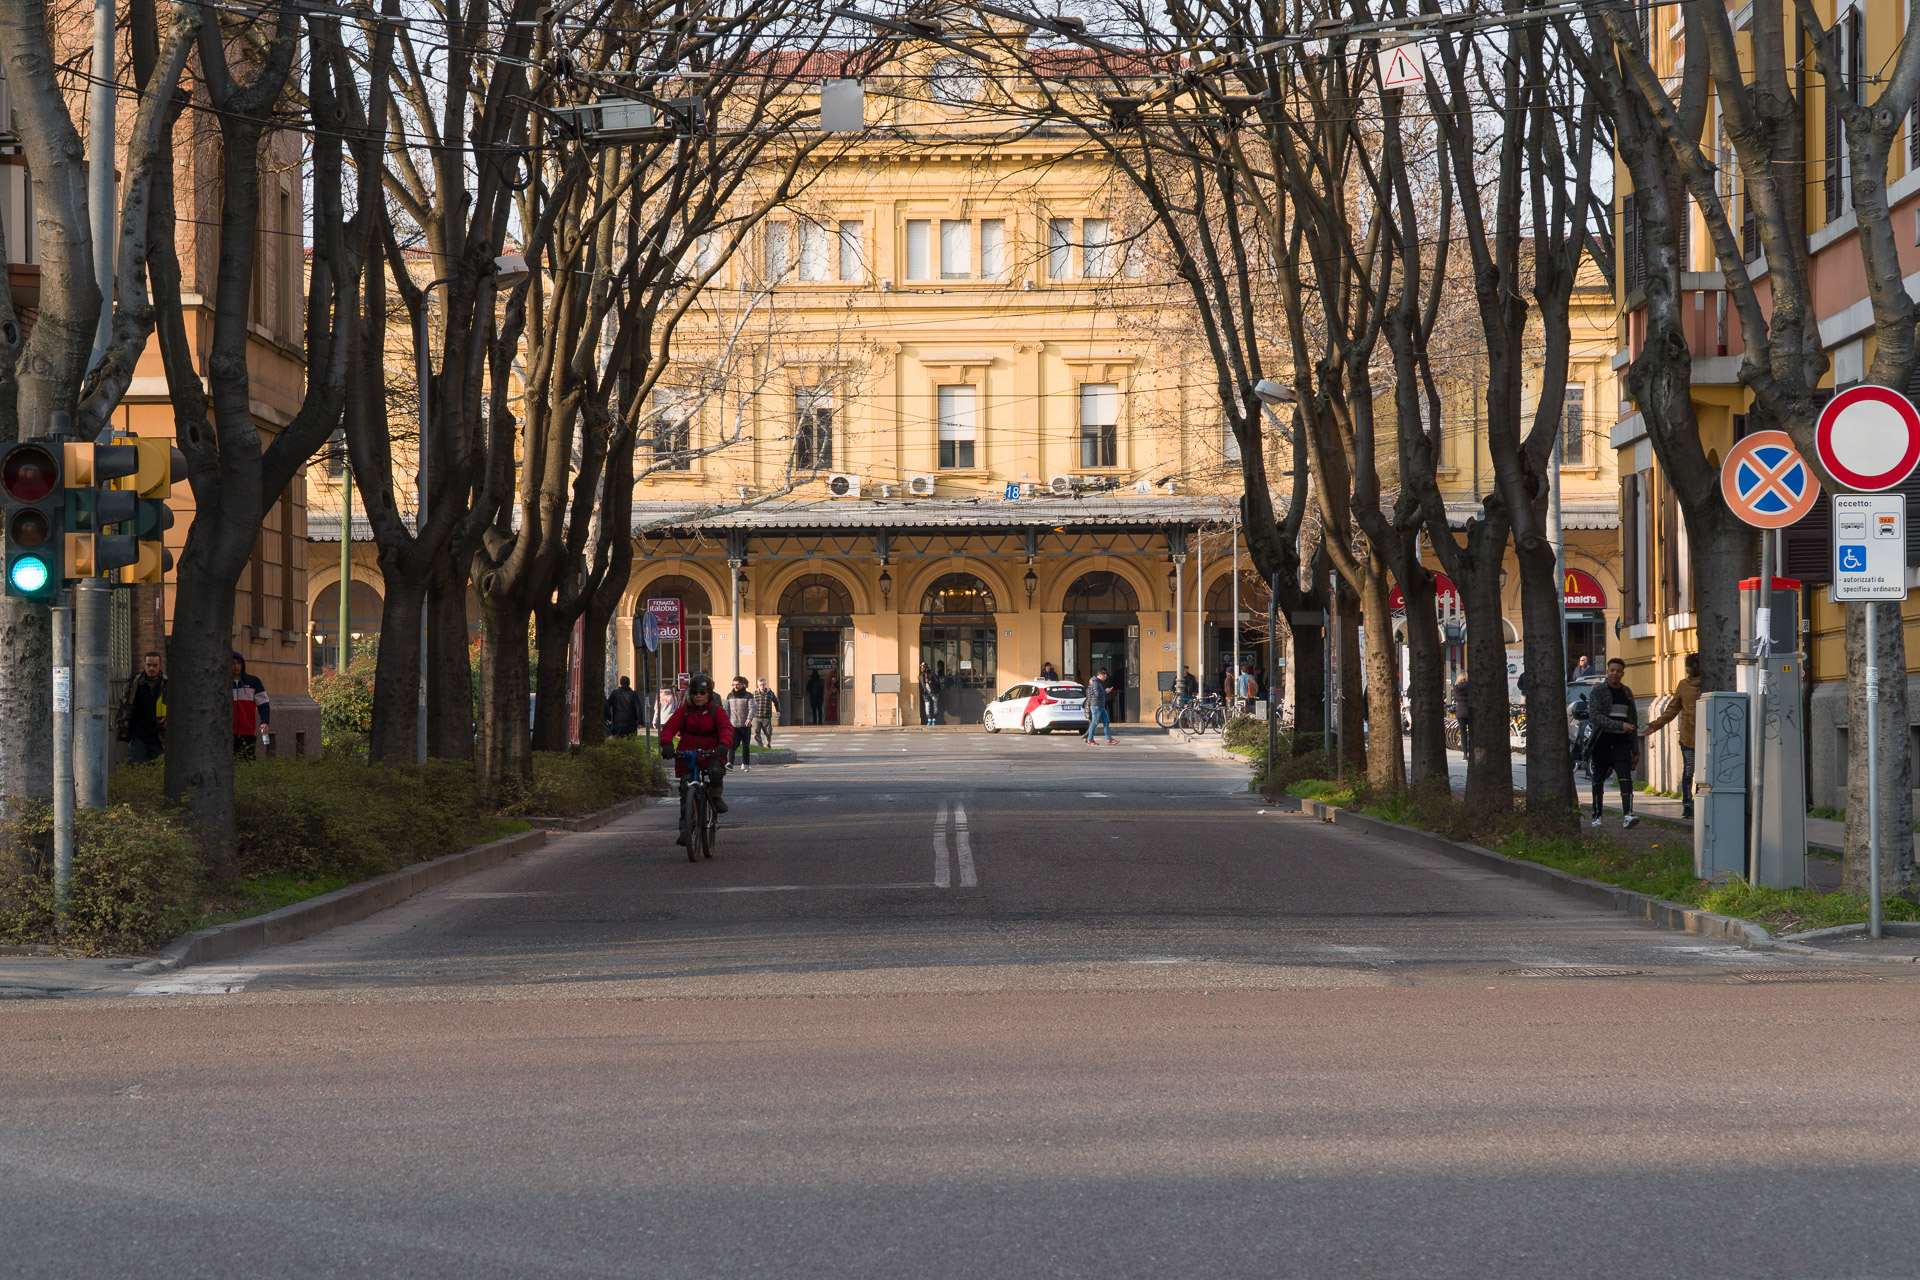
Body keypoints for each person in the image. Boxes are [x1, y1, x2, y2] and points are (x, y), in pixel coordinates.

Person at [660, 674, 733, 847]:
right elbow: (670, 727)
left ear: (709, 693)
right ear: (690, 694)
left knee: (715, 770)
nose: (699, 695)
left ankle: (715, 796)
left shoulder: (717, 711)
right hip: (688, 752)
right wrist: (667, 743)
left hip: (712, 751)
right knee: (686, 790)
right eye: (695, 692)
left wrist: (724, 744)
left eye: (702, 692)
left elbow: (726, 729)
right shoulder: (683, 710)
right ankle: (685, 830)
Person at [1642, 653, 1703, 819]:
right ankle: (1687, 804)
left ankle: (1701, 803)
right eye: (1687, 665)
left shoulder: (1708, 683)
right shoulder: (1683, 685)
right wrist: (1656, 724)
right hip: (1688, 737)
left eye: (1692, 665)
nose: (1688, 669)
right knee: (1689, 770)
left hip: (1706, 738)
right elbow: (1672, 709)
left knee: (1704, 772)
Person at [1587, 657, 1640, 828]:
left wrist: (1635, 749)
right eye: (1612, 670)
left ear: (1623, 673)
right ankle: (1597, 815)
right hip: (1602, 741)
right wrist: (1619, 725)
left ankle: (1628, 814)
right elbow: (1595, 717)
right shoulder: (1599, 691)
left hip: (1622, 742)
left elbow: (1633, 720)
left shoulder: (1626, 692)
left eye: (1618, 671)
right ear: (1607, 671)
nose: (1615, 674)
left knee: (1625, 777)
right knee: (1598, 779)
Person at [118, 650, 167, 764]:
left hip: (159, 738)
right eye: (149, 665)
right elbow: (124, 706)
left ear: (160, 665)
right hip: (138, 737)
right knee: (137, 771)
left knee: (158, 773)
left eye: (155, 665)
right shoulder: (134, 684)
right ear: (144, 664)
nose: (151, 668)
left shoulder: (166, 684)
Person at [231, 651, 271, 760]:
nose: (236, 667)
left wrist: (264, 722)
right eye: (233, 663)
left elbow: (263, 704)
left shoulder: (253, 682)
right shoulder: (222, 682)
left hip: (248, 732)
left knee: (248, 762)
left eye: (239, 663)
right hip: (229, 733)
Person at [725, 676, 754, 771]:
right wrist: (727, 721)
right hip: (733, 725)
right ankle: (730, 763)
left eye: (738, 684)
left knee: (746, 745)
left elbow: (752, 708)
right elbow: (727, 709)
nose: (736, 686)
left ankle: (745, 764)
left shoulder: (748, 696)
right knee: (732, 745)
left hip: (745, 725)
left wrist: (749, 718)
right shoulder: (730, 696)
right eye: (734, 684)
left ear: (743, 684)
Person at [1086, 667, 1116, 744]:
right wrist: (1106, 691)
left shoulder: (1098, 682)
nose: (1105, 676)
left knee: (1106, 722)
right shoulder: (1095, 683)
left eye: (1106, 675)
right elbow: (1097, 694)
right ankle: (1090, 740)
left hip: (1101, 706)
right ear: (1099, 675)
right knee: (1094, 723)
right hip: (1096, 706)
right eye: (1104, 675)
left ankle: (1109, 739)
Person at [751, 677, 780, 749]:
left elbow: (776, 701)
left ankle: (768, 743)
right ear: (758, 685)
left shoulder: (770, 693)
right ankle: (760, 747)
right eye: (761, 685)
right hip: (756, 716)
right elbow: (750, 704)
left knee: (768, 732)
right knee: (756, 733)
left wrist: (778, 710)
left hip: (766, 716)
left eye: (764, 684)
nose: (762, 686)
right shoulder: (754, 694)